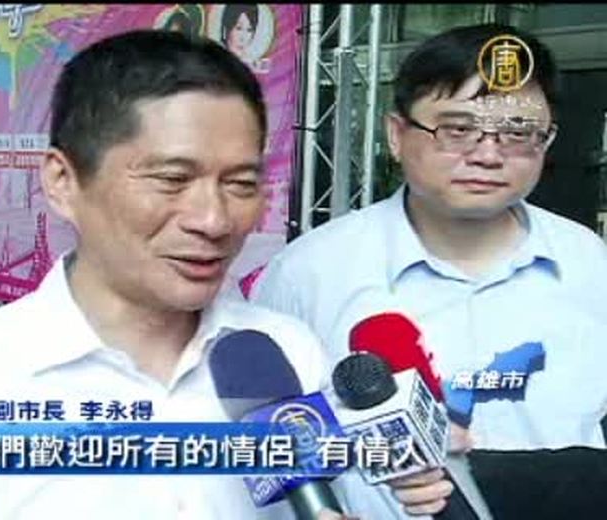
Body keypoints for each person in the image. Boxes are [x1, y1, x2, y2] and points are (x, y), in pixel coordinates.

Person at [0, 30, 363, 520]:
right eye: (172, 179)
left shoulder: (288, 357)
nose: (214, 220)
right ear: (62, 181)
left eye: (241, 184)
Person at [252, 23, 607, 518]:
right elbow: (262, 440)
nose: (488, 155)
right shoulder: (308, 272)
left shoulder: (591, 263)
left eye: (518, 133)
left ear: (546, 142)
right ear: (397, 134)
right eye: (458, 129)